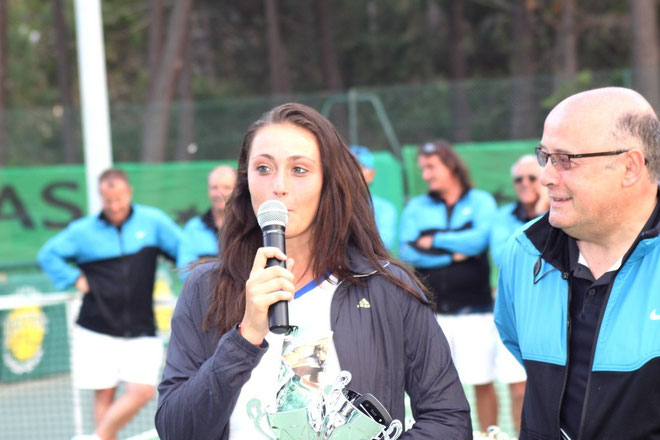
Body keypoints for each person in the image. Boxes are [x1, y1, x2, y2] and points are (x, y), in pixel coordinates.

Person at [155, 103, 472, 439]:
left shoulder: (388, 289)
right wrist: (245, 336)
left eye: (299, 170)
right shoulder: (205, 288)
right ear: (245, 180)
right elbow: (177, 431)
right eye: (263, 168)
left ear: (329, 182)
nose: (278, 186)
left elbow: (448, 421)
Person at [494, 87, 660, 439]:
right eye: (546, 156)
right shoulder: (524, 253)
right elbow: (516, 341)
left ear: (630, 166)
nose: (546, 177)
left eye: (566, 160)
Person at [37, 169, 182, 440]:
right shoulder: (82, 231)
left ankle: (95, 438)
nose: (114, 206)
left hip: (141, 327)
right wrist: (75, 278)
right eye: (108, 200)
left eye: (119, 199)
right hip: (96, 327)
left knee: (143, 391)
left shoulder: (153, 222)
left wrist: (194, 279)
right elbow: (48, 254)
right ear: (101, 197)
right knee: (104, 394)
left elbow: (184, 249)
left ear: (129, 193)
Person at [398, 140, 499, 432]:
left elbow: (479, 240)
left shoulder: (480, 201)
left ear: (450, 164)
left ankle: (489, 436)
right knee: (429, 389)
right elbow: (407, 250)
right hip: (430, 314)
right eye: (422, 169)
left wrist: (433, 239)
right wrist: (456, 250)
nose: (426, 175)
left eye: (431, 167)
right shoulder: (416, 206)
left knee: (482, 381)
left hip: (475, 312)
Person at [489, 154, 548, 435]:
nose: (524, 184)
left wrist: (544, 211)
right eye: (518, 179)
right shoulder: (503, 217)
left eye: (531, 178)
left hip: (553, 309)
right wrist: (540, 215)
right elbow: (504, 254)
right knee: (517, 389)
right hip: (518, 309)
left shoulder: (565, 214)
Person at [176, 165, 237, 272]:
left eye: (226, 187)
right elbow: (184, 270)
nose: (219, 193)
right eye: (214, 187)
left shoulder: (247, 226)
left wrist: (204, 264)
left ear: (237, 190)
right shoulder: (193, 228)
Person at [349, 145, 398, 251]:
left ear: (371, 174)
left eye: (359, 167)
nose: (351, 172)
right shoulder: (329, 203)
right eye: (347, 167)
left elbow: (382, 244)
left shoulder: (384, 208)